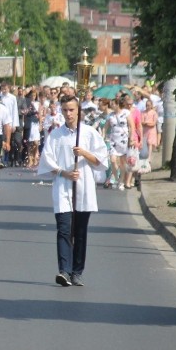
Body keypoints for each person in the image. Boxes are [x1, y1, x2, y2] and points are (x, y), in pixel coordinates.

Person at [37, 94, 108, 287]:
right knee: (64, 230)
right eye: (65, 110)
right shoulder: (56, 135)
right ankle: (64, 271)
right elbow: (47, 161)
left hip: (83, 189)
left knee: (80, 232)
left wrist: (84, 153)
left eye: (72, 110)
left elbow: (101, 160)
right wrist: (64, 173)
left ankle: (77, 271)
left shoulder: (89, 133)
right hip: (63, 188)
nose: (68, 114)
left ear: (78, 111)